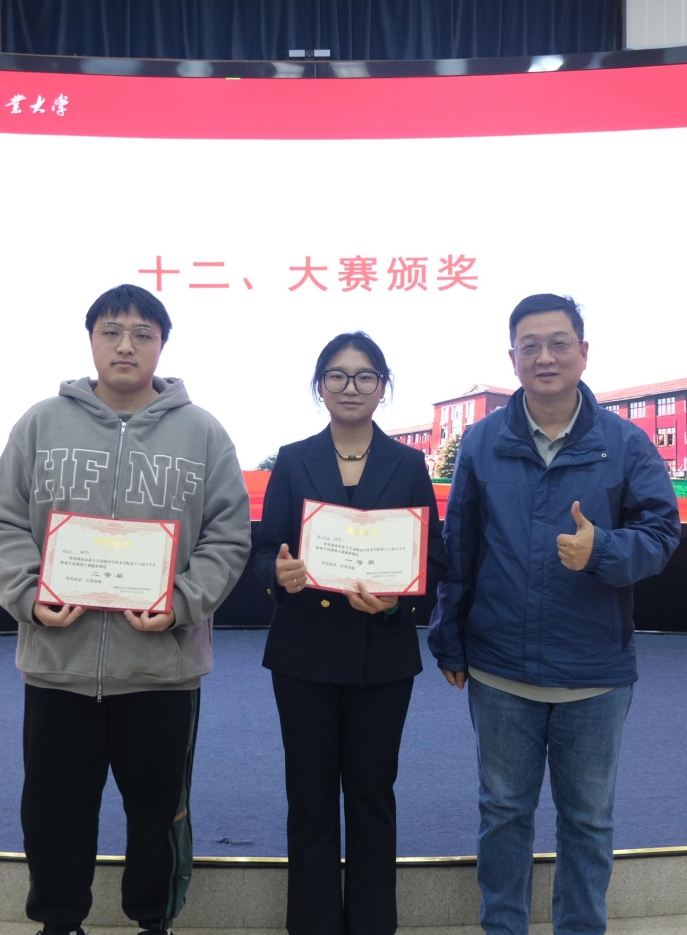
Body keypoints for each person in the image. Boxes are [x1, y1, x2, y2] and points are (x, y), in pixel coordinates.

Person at [0, 284, 253, 935]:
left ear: (162, 344)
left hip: (163, 669)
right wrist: (30, 595)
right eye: (111, 331)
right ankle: (59, 921)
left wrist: (181, 603)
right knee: (53, 811)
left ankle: (153, 920)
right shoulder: (41, 423)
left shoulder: (203, 432)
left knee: (158, 813)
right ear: (91, 339)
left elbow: (228, 535)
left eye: (142, 333)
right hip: (58, 665)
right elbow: (2, 520)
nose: (125, 345)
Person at [428, 294, 680, 935]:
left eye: (559, 343)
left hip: (594, 673)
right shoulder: (482, 442)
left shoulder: (625, 444)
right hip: (499, 670)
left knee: (588, 822)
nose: (545, 357)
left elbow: (662, 535)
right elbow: (460, 550)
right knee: (503, 814)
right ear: (512, 357)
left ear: (583, 352)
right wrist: (449, 640)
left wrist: (604, 551)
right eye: (530, 345)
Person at [257, 332, 445, 935]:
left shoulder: (408, 464)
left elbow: (432, 559)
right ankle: (312, 925)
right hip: (303, 655)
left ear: (383, 387)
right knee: (309, 797)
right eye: (336, 375)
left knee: (372, 796)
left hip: (381, 657)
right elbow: (263, 551)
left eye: (365, 376)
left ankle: (371, 924)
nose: (350, 387)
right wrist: (279, 574)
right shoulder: (292, 459)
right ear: (320, 386)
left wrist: (397, 601)